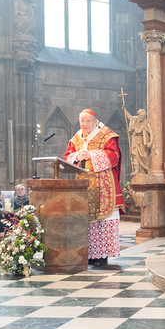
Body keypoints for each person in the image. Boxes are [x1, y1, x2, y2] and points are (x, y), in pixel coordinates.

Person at [63, 109, 123, 266]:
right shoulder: (77, 137)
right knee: (87, 221)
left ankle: (102, 255)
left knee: (102, 221)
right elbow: (67, 156)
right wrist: (77, 156)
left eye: (88, 121)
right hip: (84, 185)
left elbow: (114, 155)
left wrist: (92, 155)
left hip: (103, 184)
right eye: (82, 121)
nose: (85, 125)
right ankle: (89, 254)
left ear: (95, 121)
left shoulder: (106, 134)